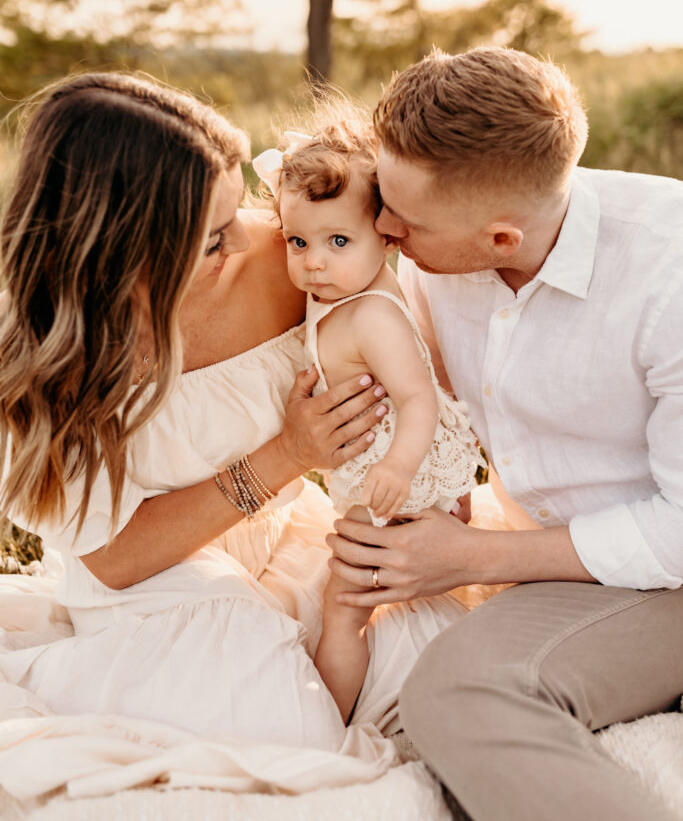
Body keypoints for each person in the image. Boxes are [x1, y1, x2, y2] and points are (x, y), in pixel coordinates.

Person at [0, 71, 472, 799]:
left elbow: (399, 337)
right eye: (212, 235)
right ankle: (104, 676)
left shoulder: (293, 262)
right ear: (127, 246)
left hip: (287, 538)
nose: (249, 239)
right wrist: (287, 455)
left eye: (236, 215)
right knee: (289, 730)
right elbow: (117, 560)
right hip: (153, 582)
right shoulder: (39, 354)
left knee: (444, 652)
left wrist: (426, 475)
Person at [326, 47, 683, 821]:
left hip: (666, 569)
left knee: (461, 693)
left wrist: (471, 558)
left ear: (499, 241)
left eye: (402, 218)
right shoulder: (431, 246)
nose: (380, 228)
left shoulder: (669, 278)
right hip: (572, 563)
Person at [252, 109, 482, 722]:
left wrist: (402, 469)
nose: (314, 264)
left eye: (337, 242)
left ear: (386, 234)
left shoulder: (370, 315)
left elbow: (418, 396)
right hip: (397, 477)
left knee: (344, 607)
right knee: (389, 591)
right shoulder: (354, 287)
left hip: (395, 480)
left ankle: (327, 722)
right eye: (298, 242)